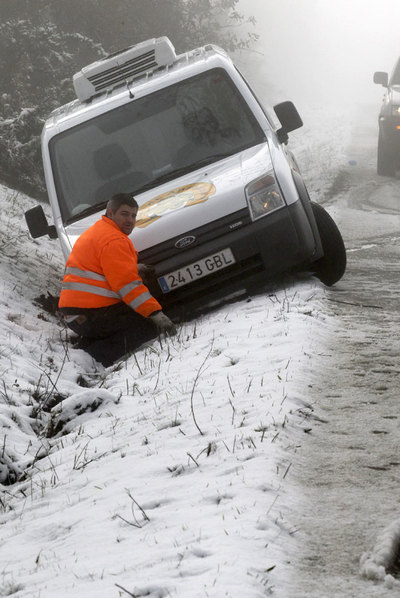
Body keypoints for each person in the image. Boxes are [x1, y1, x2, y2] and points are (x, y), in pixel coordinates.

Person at [58, 192, 176, 366]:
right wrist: (156, 314)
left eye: (133, 215)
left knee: (128, 320)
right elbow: (128, 286)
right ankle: (90, 362)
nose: (130, 220)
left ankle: (83, 350)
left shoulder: (100, 231)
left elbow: (105, 269)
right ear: (110, 213)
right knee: (146, 328)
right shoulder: (113, 239)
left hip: (77, 312)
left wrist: (134, 268)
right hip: (88, 314)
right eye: (124, 214)